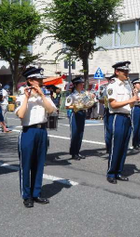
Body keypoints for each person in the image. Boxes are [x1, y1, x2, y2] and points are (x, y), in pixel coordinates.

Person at [15, 66, 56, 207]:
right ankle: (27, 196)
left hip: (42, 131)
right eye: (38, 80)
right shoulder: (21, 96)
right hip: (28, 132)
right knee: (26, 165)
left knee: (39, 164)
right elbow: (20, 115)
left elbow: (51, 110)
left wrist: (42, 95)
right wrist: (27, 98)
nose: (41, 82)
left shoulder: (44, 96)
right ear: (30, 81)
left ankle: (36, 193)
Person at [105, 61, 137, 184]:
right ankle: (111, 173)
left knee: (124, 147)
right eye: (124, 71)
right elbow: (113, 104)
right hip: (117, 117)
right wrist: (131, 99)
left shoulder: (127, 86)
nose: (126, 73)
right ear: (117, 72)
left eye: (127, 71)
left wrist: (134, 98)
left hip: (127, 117)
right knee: (116, 146)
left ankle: (119, 171)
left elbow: (131, 104)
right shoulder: (112, 86)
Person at [64, 77, 94, 160]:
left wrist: (91, 99)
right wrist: (76, 106)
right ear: (75, 85)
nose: (82, 85)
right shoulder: (72, 95)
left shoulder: (84, 94)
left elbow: (88, 102)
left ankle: (77, 151)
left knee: (80, 133)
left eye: (82, 84)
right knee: (75, 133)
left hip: (82, 113)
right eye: (80, 84)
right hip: (75, 113)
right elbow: (67, 106)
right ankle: (73, 152)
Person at [130, 78, 140, 150]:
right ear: (134, 85)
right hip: (135, 108)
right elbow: (138, 98)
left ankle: (138, 142)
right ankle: (135, 143)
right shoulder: (134, 91)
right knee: (136, 127)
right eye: (138, 83)